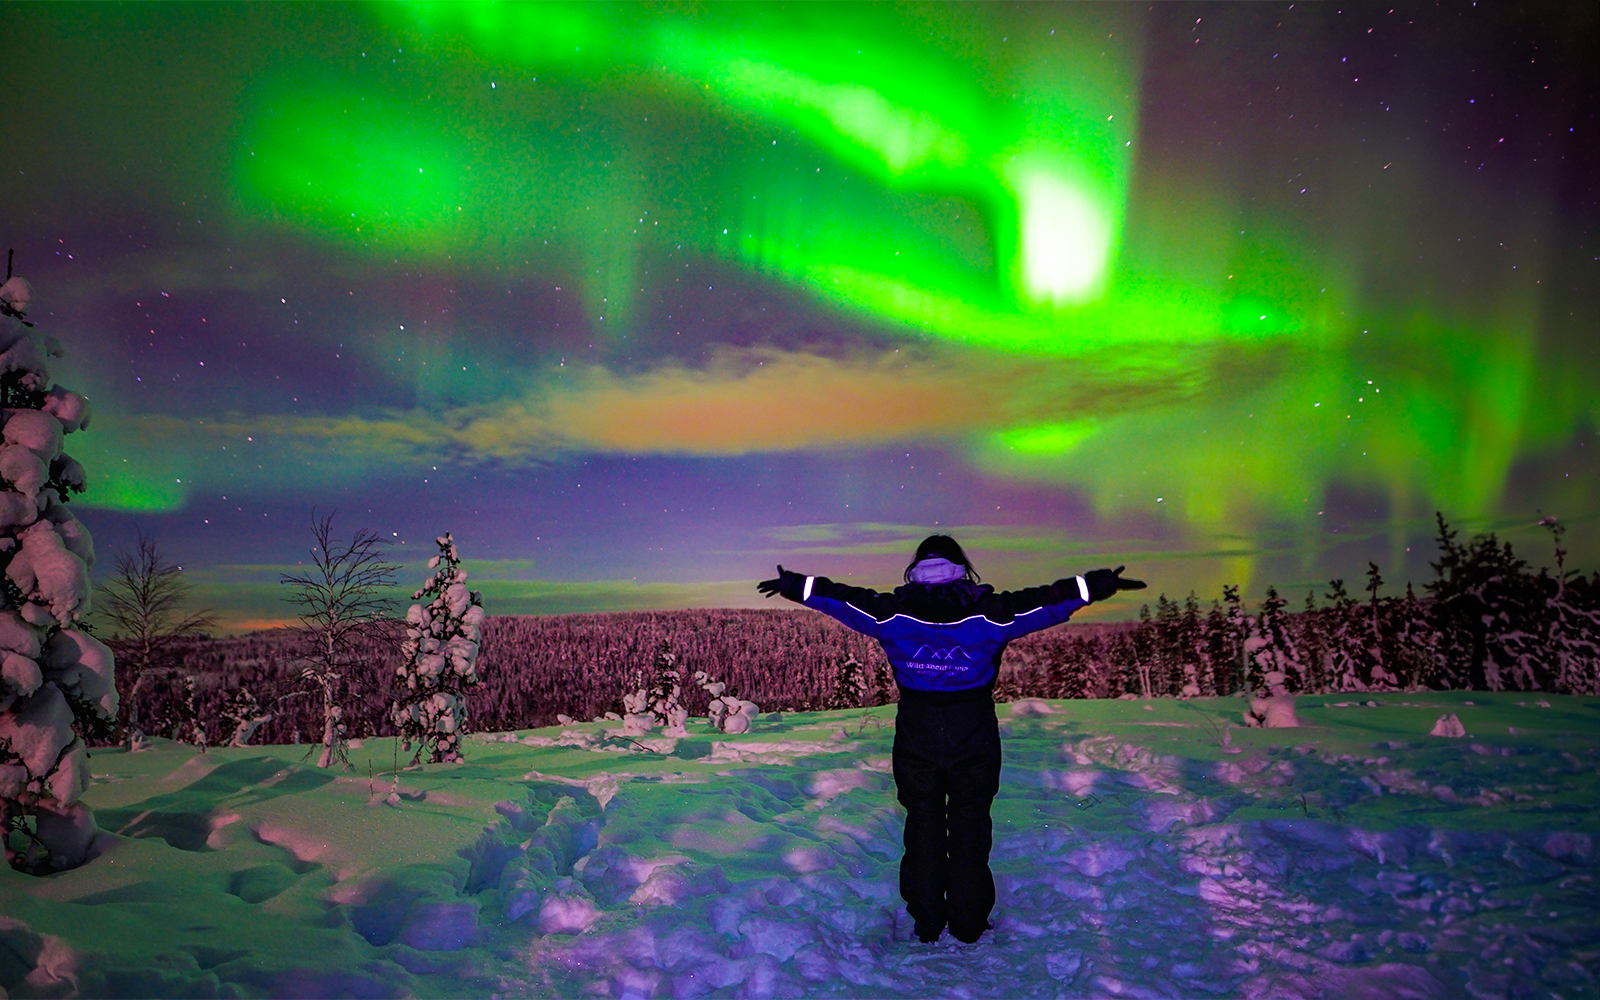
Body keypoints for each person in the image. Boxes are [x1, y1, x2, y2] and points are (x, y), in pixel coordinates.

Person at [758, 535, 1145, 945]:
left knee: (922, 823)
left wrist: (796, 585)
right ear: (962, 568)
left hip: (917, 732)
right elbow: (1046, 602)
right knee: (970, 824)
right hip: (973, 730)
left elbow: (842, 600)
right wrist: (1094, 586)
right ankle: (968, 922)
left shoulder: (891, 613)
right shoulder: (990, 613)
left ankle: (927, 920)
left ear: (916, 570)